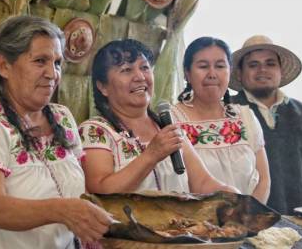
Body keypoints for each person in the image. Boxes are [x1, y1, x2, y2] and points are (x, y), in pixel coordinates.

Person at [0, 16, 113, 249]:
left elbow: (79, 191)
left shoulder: (62, 117)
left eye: (57, 62)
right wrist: (62, 210)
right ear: (4, 65)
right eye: (40, 61)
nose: (52, 74)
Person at [78, 39, 237, 194]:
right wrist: (151, 155)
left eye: (145, 68)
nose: (140, 77)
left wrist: (236, 196)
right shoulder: (94, 131)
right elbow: (101, 190)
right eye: (126, 70)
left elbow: (202, 183)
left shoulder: (167, 126)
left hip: (179, 220)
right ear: (103, 87)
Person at [230, 35, 302, 214]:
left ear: (281, 71)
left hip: (301, 222)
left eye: (270, 63)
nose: (262, 70)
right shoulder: (228, 112)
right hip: (247, 221)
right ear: (239, 74)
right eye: (253, 65)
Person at [172, 37, 270, 204]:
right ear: (187, 73)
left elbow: (263, 181)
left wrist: (246, 219)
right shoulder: (171, 120)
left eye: (220, 66)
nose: (212, 74)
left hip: (245, 222)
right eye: (203, 66)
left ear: (229, 71)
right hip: (192, 225)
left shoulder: (245, 117)